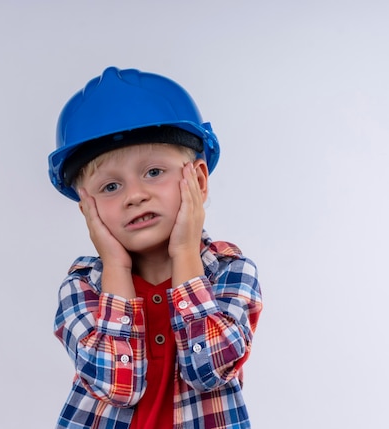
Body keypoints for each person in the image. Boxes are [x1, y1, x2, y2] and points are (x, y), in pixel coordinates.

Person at [48, 66, 263, 429]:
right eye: (111, 187)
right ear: (87, 207)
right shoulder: (83, 286)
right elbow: (116, 387)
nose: (135, 195)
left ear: (197, 179)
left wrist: (184, 255)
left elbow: (210, 369)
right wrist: (115, 267)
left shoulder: (231, 270)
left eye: (153, 172)